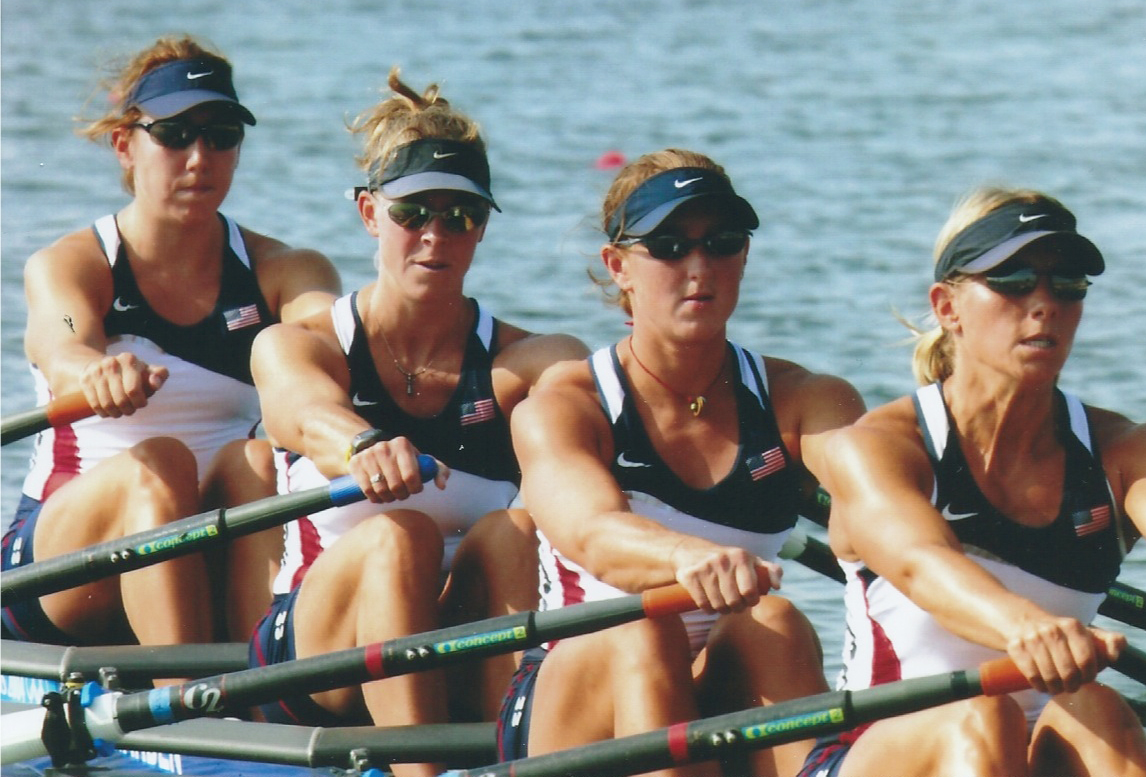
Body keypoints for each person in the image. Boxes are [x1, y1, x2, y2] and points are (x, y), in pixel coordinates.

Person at [246, 67, 587, 777]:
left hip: (456, 635)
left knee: (516, 529)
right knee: (398, 533)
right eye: (413, 213)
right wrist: (361, 443)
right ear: (371, 215)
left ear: (482, 227)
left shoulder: (532, 360)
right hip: (312, 660)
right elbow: (300, 410)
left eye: (459, 215)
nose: (435, 234)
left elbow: (592, 413)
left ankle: (507, 758)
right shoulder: (302, 343)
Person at [495, 149, 867, 777]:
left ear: (743, 258)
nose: (699, 267)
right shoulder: (565, 407)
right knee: (650, 624)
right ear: (619, 269)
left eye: (722, 243)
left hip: (718, 680)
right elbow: (593, 533)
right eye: (668, 246)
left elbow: (881, 495)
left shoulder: (807, 401)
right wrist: (684, 557)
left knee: (772, 619)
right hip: (575, 696)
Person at [802, 186, 1146, 777]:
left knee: (1100, 708)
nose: (1044, 303)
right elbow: (920, 562)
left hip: (1037, 751)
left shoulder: (1132, 450)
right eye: (1012, 280)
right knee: (980, 718)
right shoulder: (877, 447)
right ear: (947, 306)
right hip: (875, 751)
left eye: (1067, 284)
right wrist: (1024, 625)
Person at [1, 35, 341, 655]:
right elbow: (63, 339)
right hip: (59, 570)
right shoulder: (74, 264)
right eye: (175, 134)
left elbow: (328, 332)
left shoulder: (286, 270)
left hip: (208, 541)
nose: (199, 157)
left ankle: (260, 693)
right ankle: (189, 697)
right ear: (125, 145)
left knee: (261, 463)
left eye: (221, 135)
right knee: (160, 464)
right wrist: (92, 370)